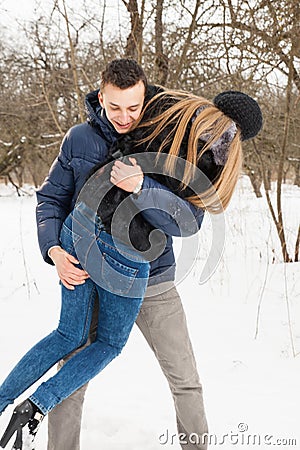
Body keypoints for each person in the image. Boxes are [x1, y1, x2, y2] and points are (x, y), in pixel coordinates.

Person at [0, 59, 262, 450]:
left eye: (134, 107)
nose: (125, 117)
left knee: (185, 378)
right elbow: (50, 199)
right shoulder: (79, 139)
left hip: (152, 279)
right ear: (100, 98)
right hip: (87, 268)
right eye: (115, 107)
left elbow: (188, 218)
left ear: (146, 97)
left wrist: (143, 186)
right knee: (71, 374)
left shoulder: (168, 135)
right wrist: (53, 249)